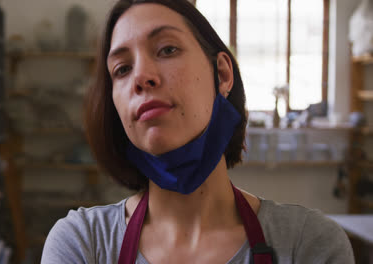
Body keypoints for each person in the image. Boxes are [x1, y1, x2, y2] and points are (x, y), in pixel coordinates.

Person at [41, 0, 354, 263]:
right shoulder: (83, 244)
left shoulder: (309, 244)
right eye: (122, 69)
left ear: (222, 73)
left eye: (166, 50)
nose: (141, 77)